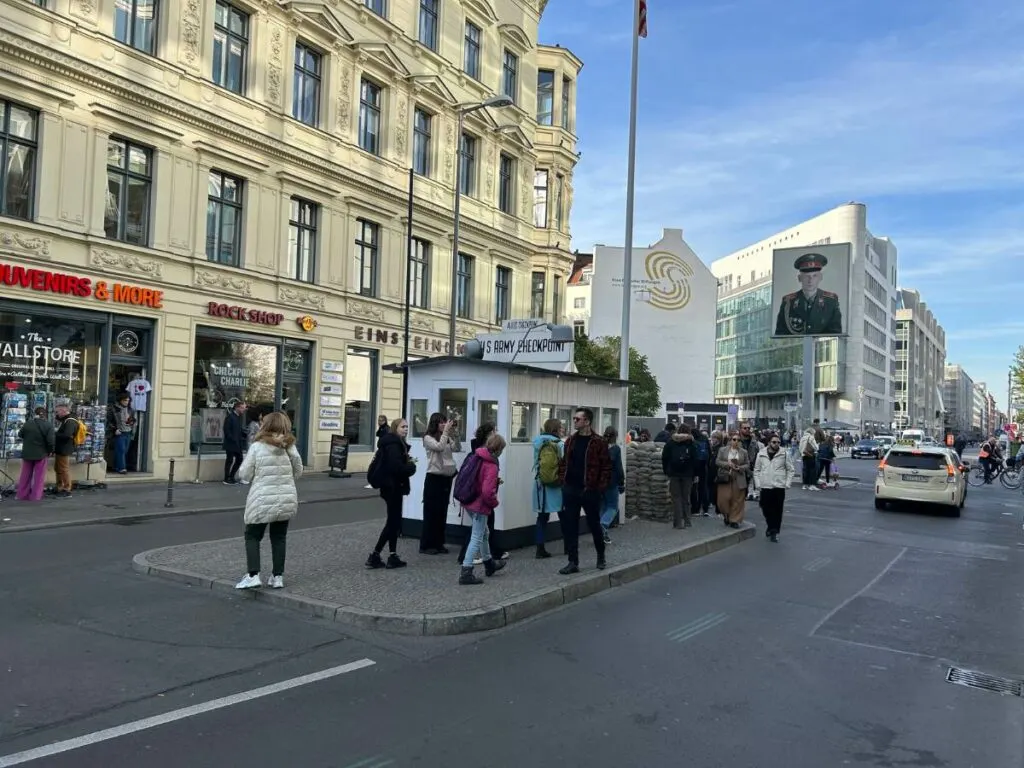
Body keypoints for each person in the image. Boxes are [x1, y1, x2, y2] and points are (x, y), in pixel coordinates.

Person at [233, 411, 303, 590]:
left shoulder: (258, 446)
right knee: (279, 537)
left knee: (252, 535)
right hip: (286, 497)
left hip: (262, 498)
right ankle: (277, 576)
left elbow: (245, 475)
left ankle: (253, 574)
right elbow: (298, 471)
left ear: (266, 425)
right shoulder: (290, 446)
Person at [557, 407, 611, 574]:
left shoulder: (598, 442)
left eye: (577, 419)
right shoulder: (570, 441)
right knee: (571, 526)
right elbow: (564, 462)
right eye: (574, 419)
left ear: (587, 421)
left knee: (593, 524)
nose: (574, 421)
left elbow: (606, 467)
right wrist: (562, 481)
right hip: (571, 488)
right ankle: (573, 561)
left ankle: (601, 555)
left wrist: (599, 487)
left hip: (590, 490)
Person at [366, 418, 417, 569]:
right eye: (403, 427)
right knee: (392, 522)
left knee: (393, 522)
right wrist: (410, 468)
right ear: (395, 428)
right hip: (392, 487)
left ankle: (391, 555)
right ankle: (376, 555)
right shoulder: (394, 445)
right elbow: (396, 467)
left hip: (391, 487)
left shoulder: (393, 443)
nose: (406, 429)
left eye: (407, 427)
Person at [459, 433, 509, 585]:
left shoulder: (478, 456)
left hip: (469, 500)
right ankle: (466, 571)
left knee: (484, 532)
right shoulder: (492, 465)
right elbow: (487, 492)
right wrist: (494, 502)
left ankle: (489, 563)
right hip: (480, 504)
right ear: (499, 449)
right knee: (477, 536)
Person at [774, 252, 843, 335]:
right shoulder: (788, 302)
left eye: (814, 276)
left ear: (820, 277)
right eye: (806, 276)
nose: (810, 280)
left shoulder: (831, 301)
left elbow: (836, 334)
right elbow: (780, 334)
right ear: (800, 278)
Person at [420, 412, 460, 555]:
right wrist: (446, 433)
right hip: (434, 477)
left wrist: (454, 433)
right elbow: (439, 447)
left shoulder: (446, 436)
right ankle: (426, 544)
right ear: (435, 424)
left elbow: (456, 448)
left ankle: (439, 543)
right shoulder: (427, 438)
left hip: (446, 476)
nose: (444, 425)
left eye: (445, 422)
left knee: (442, 511)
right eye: (441, 423)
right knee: (432, 511)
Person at [754, 434, 795, 542]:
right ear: (769, 443)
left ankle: (774, 531)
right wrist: (758, 484)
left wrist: (787, 483)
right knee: (765, 508)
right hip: (765, 485)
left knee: (777, 511)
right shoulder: (761, 454)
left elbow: (790, 469)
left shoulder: (784, 453)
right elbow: (756, 470)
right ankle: (770, 525)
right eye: (774, 442)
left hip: (778, 486)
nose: (776, 444)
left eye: (778, 442)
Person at [532, 418, 564, 559]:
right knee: (564, 515)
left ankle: (540, 549)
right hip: (557, 484)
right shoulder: (560, 444)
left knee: (542, 517)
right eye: (561, 427)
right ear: (556, 429)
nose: (562, 429)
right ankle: (568, 547)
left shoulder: (537, 443)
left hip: (541, 484)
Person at [662, 423, 697, 529]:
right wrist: (694, 473)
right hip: (687, 474)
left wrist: (667, 471)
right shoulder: (691, 442)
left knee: (676, 498)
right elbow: (695, 459)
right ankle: (688, 521)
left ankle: (678, 523)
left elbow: (664, 457)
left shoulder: (671, 442)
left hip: (674, 474)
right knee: (686, 498)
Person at [17, 407, 55, 501]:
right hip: (41, 453)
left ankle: (22, 494)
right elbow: (50, 441)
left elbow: (20, 434)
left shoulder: (28, 423)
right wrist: (50, 451)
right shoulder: (48, 425)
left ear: (35, 414)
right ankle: (36, 496)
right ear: (45, 415)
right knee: (39, 476)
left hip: (27, 453)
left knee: (25, 475)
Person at [715, 432, 751, 529]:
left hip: (738, 477)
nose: (736, 442)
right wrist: (728, 465)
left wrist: (740, 468)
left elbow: (747, 464)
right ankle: (726, 515)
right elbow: (717, 461)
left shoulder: (743, 452)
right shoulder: (722, 450)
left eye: (738, 440)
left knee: (737, 500)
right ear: (730, 440)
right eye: (734, 439)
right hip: (725, 476)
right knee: (723, 499)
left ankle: (734, 520)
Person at [600, 426, 625, 542]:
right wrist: (621, 483)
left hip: (598, 482)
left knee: (602, 507)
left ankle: (603, 534)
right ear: (615, 437)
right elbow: (619, 468)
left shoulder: (598, 447)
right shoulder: (615, 449)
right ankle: (603, 524)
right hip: (611, 482)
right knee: (613, 507)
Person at [53, 404, 79, 498]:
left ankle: (67, 489)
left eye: (57, 412)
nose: (56, 414)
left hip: (64, 448)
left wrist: (55, 433)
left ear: (63, 411)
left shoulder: (70, 421)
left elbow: (67, 434)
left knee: (63, 469)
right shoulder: (66, 420)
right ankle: (59, 486)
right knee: (58, 469)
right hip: (61, 448)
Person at [222, 400, 246, 485]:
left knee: (239, 459)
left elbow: (239, 430)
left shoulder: (239, 417)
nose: (243, 409)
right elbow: (226, 430)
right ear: (237, 407)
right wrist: (231, 438)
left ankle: (231, 476)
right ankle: (226, 478)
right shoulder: (230, 417)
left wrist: (244, 434)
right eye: (242, 408)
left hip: (237, 443)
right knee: (229, 460)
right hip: (231, 443)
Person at [109, 393, 134, 474]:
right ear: (120, 400)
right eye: (125, 400)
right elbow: (109, 421)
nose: (127, 402)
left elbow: (133, 420)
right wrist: (115, 429)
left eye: (128, 400)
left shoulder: (130, 409)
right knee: (121, 450)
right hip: (119, 432)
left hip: (128, 431)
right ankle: (122, 468)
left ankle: (116, 466)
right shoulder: (114, 409)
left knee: (125, 450)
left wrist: (132, 423)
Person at [690, 429, 712, 517]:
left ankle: (696, 509)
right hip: (704, 466)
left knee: (694, 488)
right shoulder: (704, 438)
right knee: (703, 488)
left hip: (695, 468)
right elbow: (709, 453)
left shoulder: (692, 440)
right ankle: (705, 508)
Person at [737, 422, 761, 501]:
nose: (747, 430)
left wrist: (756, 464)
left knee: (751, 481)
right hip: (739, 467)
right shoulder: (736, 440)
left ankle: (751, 494)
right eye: (745, 428)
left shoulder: (753, 441)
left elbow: (757, 452)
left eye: (748, 428)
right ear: (740, 429)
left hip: (751, 465)